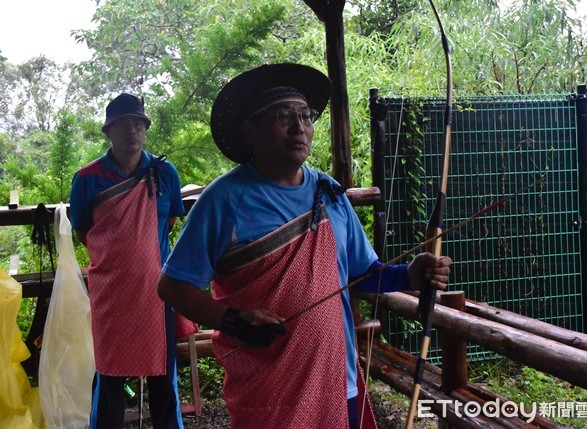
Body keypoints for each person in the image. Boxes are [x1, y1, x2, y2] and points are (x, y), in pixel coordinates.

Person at [157, 64, 452, 429]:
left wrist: (409, 274)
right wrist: (233, 320)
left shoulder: (328, 193)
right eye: (283, 116)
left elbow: (360, 276)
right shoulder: (223, 200)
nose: (299, 127)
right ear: (251, 129)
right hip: (268, 390)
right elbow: (172, 286)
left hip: (337, 377)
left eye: (305, 116)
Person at [69, 93, 195, 429]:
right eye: (124, 124)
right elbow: (84, 230)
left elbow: (167, 224)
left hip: (157, 291)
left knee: (162, 375)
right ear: (108, 131)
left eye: (139, 124)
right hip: (110, 292)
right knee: (109, 374)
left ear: (145, 129)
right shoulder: (87, 178)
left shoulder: (164, 172)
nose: (132, 130)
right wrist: (120, 257)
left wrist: (142, 255)